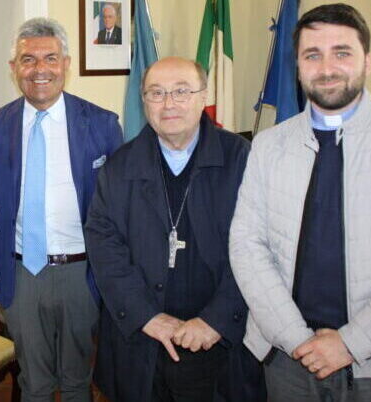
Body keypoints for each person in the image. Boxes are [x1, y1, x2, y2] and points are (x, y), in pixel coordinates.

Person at [229, 4, 371, 401]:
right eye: (312, 55)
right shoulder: (268, 146)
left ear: (367, 61)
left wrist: (349, 344)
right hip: (286, 357)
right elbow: (247, 248)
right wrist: (297, 339)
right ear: (298, 66)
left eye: (342, 52)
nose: (327, 67)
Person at [85, 57, 264, 402]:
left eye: (181, 91)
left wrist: (215, 319)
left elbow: (260, 247)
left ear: (203, 95)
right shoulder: (119, 166)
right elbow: (104, 247)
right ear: (144, 100)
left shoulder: (242, 159)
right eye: (157, 93)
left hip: (219, 339)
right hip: (141, 341)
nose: (169, 104)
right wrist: (146, 316)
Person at [0, 17, 122, 402]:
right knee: (34, 382)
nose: (40, 69)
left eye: (50, 58)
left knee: (78, 382)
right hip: (22, 273)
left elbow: (120, 210)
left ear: (66, 64)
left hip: (80, 273)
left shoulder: (102, 124)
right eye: (28, 59)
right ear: (14, 69)